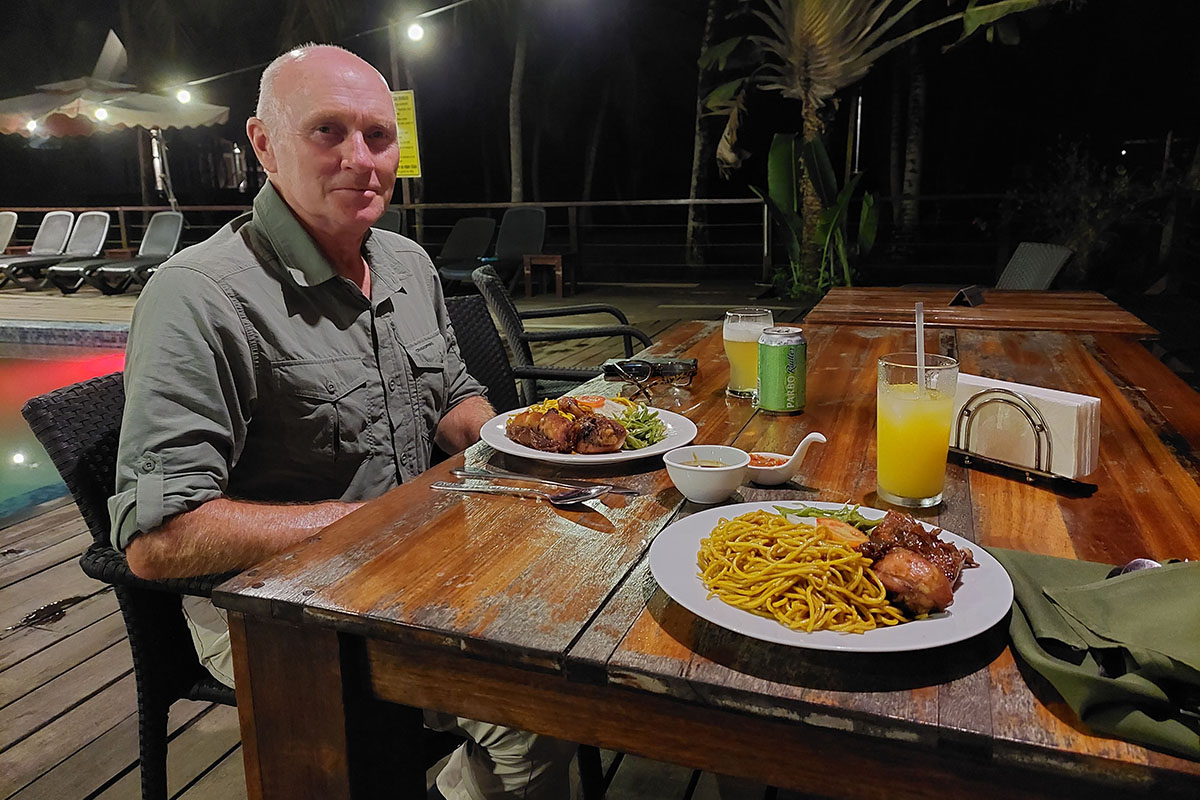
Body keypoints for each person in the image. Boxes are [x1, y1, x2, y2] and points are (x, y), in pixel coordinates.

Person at [107, 44, 575, 800]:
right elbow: (160, 541)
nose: (362, 160)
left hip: (418, 566)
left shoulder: (404, 261)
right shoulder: (198, 295)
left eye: (378, 137)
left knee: (576, 606)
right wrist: (382, 520)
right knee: (538, 706)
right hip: (275, 613)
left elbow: (453, 392)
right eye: (328, 132)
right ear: (263, 144)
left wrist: (519, 444)